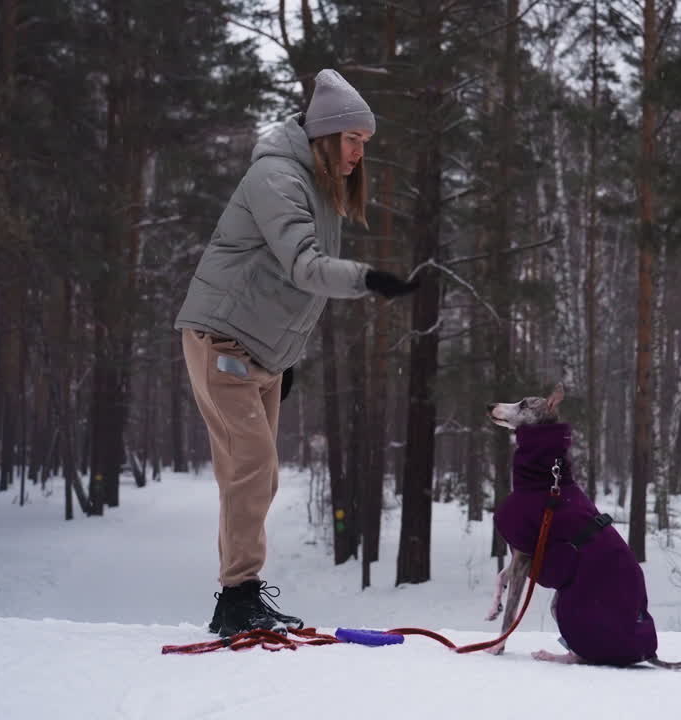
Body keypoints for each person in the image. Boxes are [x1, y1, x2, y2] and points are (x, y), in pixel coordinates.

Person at [174, 69, 418, 637]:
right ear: (326, 134)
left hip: (260, 352)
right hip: (221, 340)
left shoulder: (318, 187)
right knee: (252, 470)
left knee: (251, 473)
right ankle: (237, 599)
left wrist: (285, 359)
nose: (360, 152)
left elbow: (284, 287)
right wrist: (369, 279)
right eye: (353, 138)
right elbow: (304, 267)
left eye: (366, 142)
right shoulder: (277, 177)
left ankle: (240, 596)